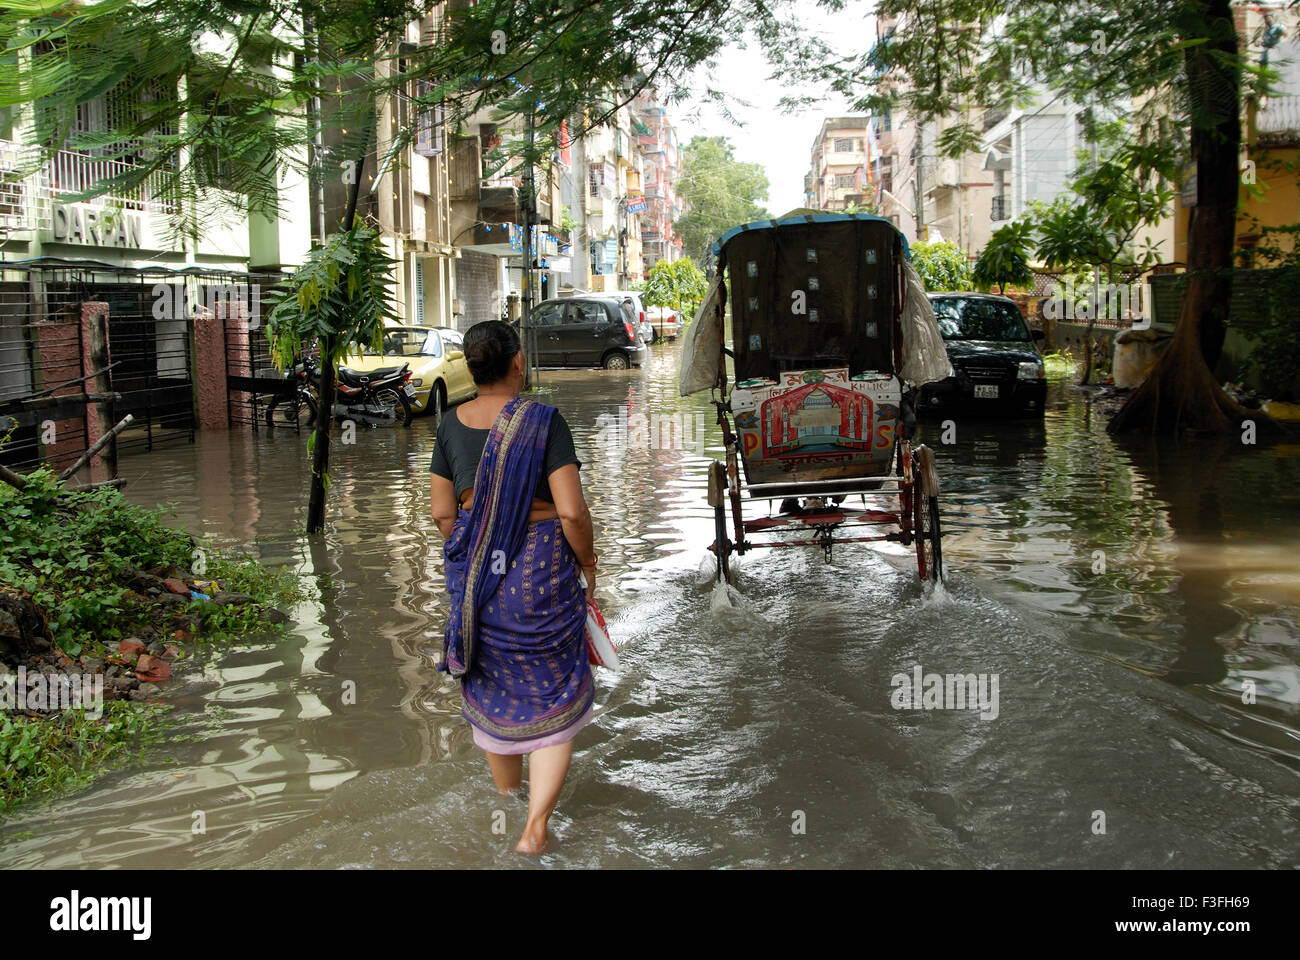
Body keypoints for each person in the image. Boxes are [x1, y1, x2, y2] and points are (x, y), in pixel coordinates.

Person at [430, 320, 598, 854]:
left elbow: (441, 516)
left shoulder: (449, 425)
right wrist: (589, 561)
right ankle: (535, 827)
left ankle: (507, 802)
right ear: (518, 362)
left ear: (470, 368)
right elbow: (571, 511)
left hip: (479, 587)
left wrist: (484, 529)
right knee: (552, 689)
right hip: (540, 581)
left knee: (493, 686)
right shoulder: (544, 422)